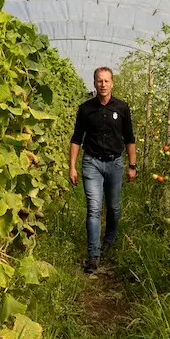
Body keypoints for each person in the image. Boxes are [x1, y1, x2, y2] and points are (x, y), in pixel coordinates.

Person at [69, 66, 136, 273]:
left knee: (114, 207)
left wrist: (132, 166)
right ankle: (93, 255)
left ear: (112, 83)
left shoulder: (122, 108)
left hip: (115, 163)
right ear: (94, 83)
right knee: (94, 208)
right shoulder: (86, 109)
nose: (103, 84)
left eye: (106, 81)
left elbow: (130, 138)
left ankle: (110, 240)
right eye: (99, 81)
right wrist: (72, 166)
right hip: (92, 163)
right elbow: (76, 139)